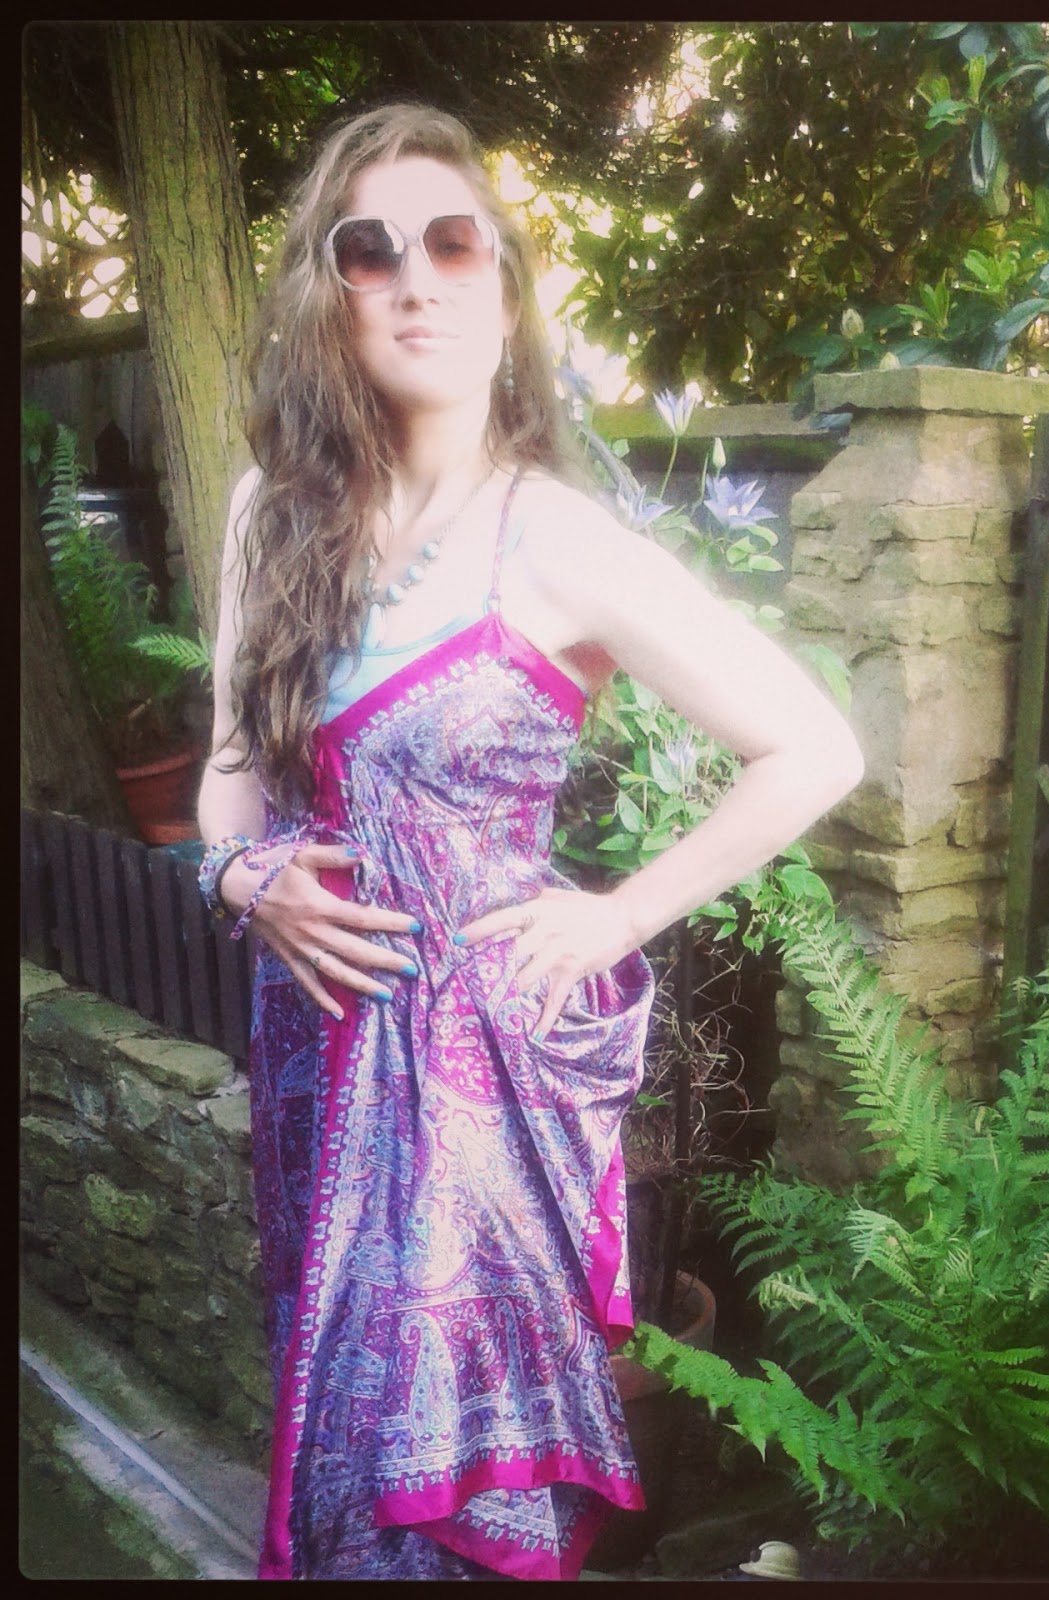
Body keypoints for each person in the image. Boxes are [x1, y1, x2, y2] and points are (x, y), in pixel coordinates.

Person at [195, 102, 863, 1581]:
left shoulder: (558, 540)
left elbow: (817, 746)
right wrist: (242, 876)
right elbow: (231, 768)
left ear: (504, 289)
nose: (414, 280)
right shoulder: (267, 519)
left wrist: (619, 915)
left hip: (480, 1088)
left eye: (453, 243)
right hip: (313, 1056)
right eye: (370, 251)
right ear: (329, 291)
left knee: (439, 1490)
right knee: (332, 1434)